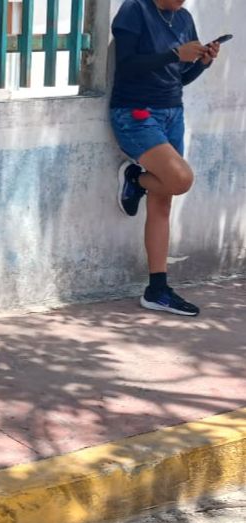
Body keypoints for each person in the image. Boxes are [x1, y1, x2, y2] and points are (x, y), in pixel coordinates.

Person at [110, 0, 220, 317]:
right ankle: (134, 178)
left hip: (172, 113)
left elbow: (178, 76)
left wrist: (202, 63)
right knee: (180, 179)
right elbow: (128, 65)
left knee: (164, 199)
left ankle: (157, 290)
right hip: (137, 113)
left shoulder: (183, 18)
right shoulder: (135, 10)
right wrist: (175, 54)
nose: (184, 0)